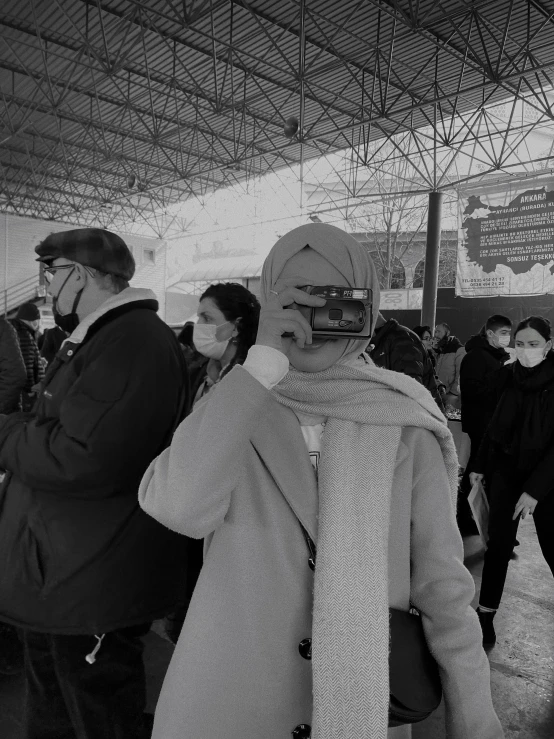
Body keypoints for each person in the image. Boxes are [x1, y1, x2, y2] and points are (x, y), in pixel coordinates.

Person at [138, 223, 503, 739]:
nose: (311, 320)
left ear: (368, 311)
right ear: (267, 306)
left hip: (364, 707)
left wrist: (476, 723)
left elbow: (444, 590)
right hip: (225, 704)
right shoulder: (234, 407)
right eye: (293, 300)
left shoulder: (403, 421)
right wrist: (260, 366)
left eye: (336, 302)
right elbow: (178, 508)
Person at [0, 228, 190, 739]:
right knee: (57, 701)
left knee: (93, 712)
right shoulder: (109, 336)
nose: (47, 289)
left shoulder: (131, 342)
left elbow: (81, 457)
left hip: (90, 577)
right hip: (67, 571)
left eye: (52, 274)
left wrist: (5, 431)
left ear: (79, 274)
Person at [471, 316, 554, 648]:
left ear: (548, 345)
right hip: (506, 470)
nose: (526, 350)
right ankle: (485, 615)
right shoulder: (508, 375)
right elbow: (495, 426)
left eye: (533, 344)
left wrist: (535, 490)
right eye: (520, 344)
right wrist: (478, 465)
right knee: (498, 547)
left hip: (547, 479)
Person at [458, 316, 512, 530]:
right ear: (490, 333)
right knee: (478, 469)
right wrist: (502, 382)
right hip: (482, 423)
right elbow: (473, 393)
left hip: (491, 423)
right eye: (504, 332)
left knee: (482, 470)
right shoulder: (476, 357)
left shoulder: (492, 356)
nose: (507, 337)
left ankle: (478, 518)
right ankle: (467, 515)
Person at [190, 282, 260, 407]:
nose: (198, 325)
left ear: (236, 327)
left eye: (207, 318)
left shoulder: (247, 383)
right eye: (199, 318)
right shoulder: (202, 372)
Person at [9, 302, 45, 411]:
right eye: (38, 320)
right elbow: (26, 365)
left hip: (14, 387)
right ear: (32, 320)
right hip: (24, 390)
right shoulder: (24, 334)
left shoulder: (14, 330)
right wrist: (30, 389)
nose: (38, 323)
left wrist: (38, 360)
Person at [434, 322, 465, 409]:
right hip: (437, 394)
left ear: (447, 333)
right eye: (435, 331)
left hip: (450, 396)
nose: (436, 335)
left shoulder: (459, 350)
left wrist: (453, 393)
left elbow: (461, 374)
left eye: (439, 332)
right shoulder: (440, 350)